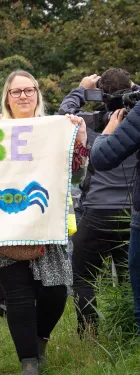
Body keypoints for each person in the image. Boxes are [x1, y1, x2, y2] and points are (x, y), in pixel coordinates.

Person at [0, 70, 87, 375]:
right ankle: (28, 362)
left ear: (38, 94)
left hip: (48, 227)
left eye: (30, 90)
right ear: (7, 98)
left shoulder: (56, 128)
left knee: (56, 292)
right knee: (19, 296)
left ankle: (39, 340)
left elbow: (77, 175)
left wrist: (78, 139)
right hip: (5, 225)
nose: (24, 96)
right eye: (17, 92)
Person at [59, 69, 137, 336]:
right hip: (130, 215)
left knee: (82, 276)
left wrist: (81, 89)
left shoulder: (91, 122)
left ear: (101, 98)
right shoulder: (136, 121)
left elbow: (63, 116)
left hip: (97, 213)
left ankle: (89, 333)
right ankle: (129, 331)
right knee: (129, 278)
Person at [90, 99, 140, 334]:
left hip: (105, 211)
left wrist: (109, 129)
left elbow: (102, 157)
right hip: (124, 209)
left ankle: (89, 333)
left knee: (82, 273)